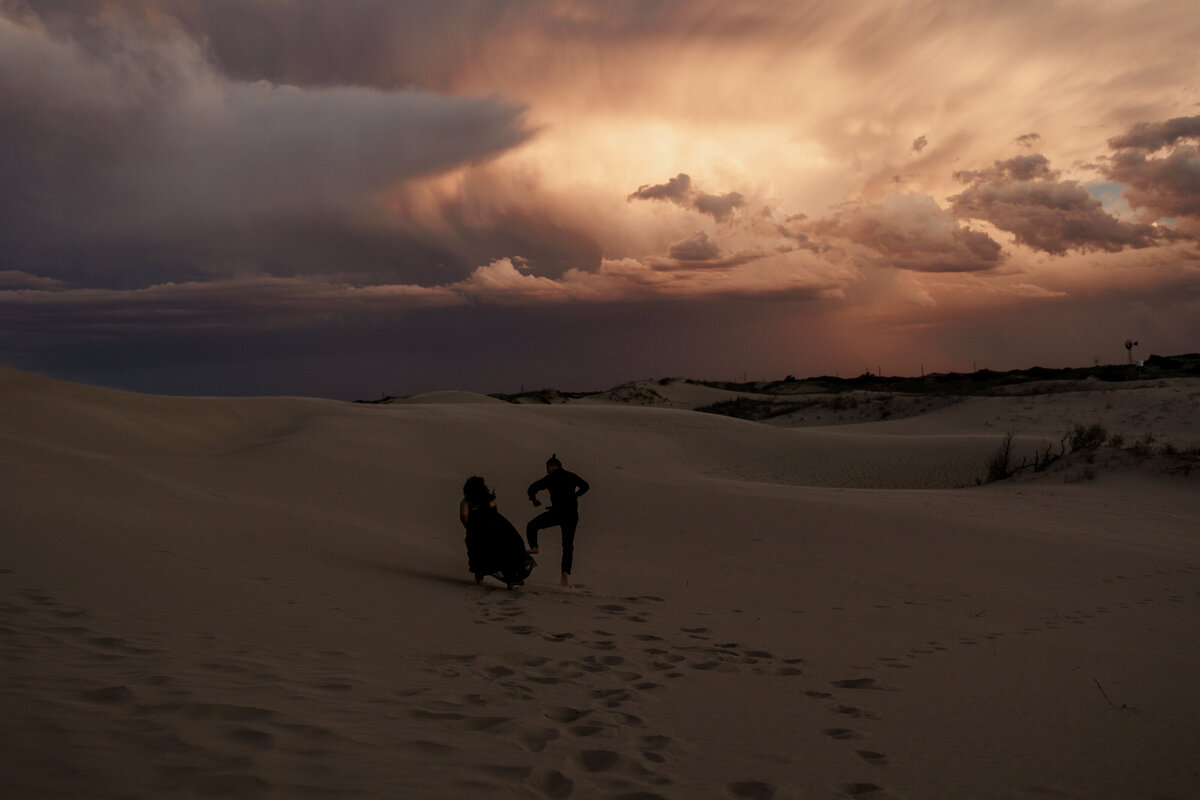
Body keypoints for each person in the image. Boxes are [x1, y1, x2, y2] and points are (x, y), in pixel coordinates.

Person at [525, 454, 590, 586]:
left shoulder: (550, 478)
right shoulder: (571, 475)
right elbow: (586, 485)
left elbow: (532, 488)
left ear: (554, 466)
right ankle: (564, 574)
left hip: (557, 513)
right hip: (572, 515)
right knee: (567, 545)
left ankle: (534, 546)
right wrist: (577, 495)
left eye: (548, 468)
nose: (546, 471)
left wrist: (534, 499)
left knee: (532, 525)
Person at [460, 477, 535, 589]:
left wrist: (470, 529)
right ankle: (510, 581)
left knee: (480, 553)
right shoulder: (489, 499)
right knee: (506, 551)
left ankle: (479, 578)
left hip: (479, 529)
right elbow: (495, 511)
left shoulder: (466, 501)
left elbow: (464, 516)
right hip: (498, 526)